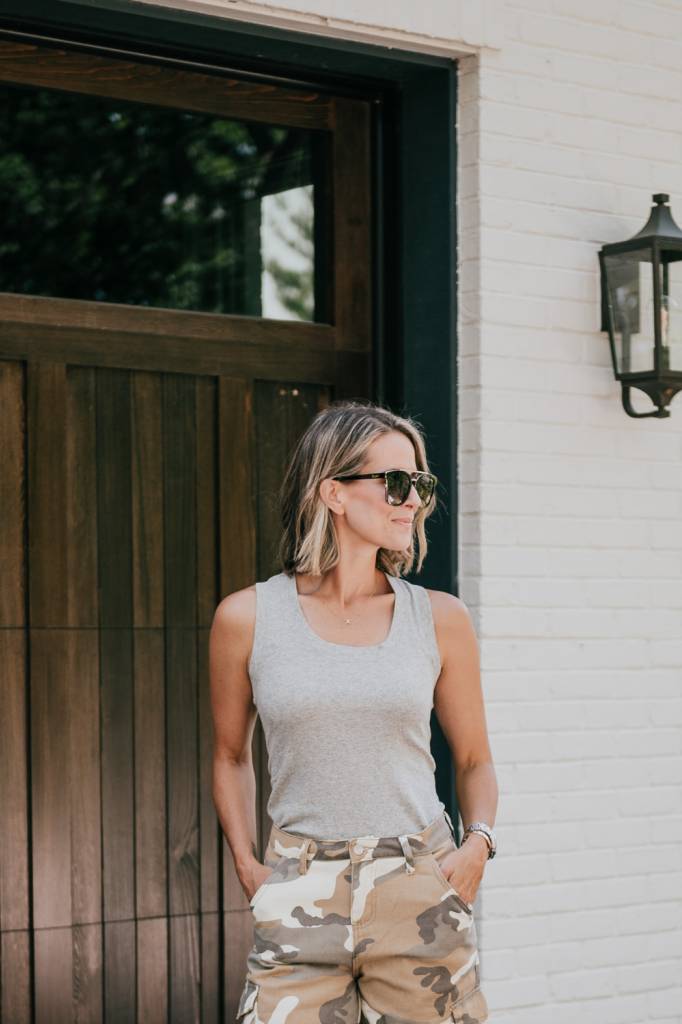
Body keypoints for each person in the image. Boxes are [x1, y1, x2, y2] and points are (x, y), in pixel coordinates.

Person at [210, 402, 497, 1024]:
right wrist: (250, 866)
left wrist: (477, 845)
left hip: (419, 885)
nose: (412, 500)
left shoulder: (439, 618)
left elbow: (475, 760)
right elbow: (230, 756)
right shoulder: (247, 617)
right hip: (299, 888)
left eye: (420, 484)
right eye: (396, 482)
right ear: (333, 492)